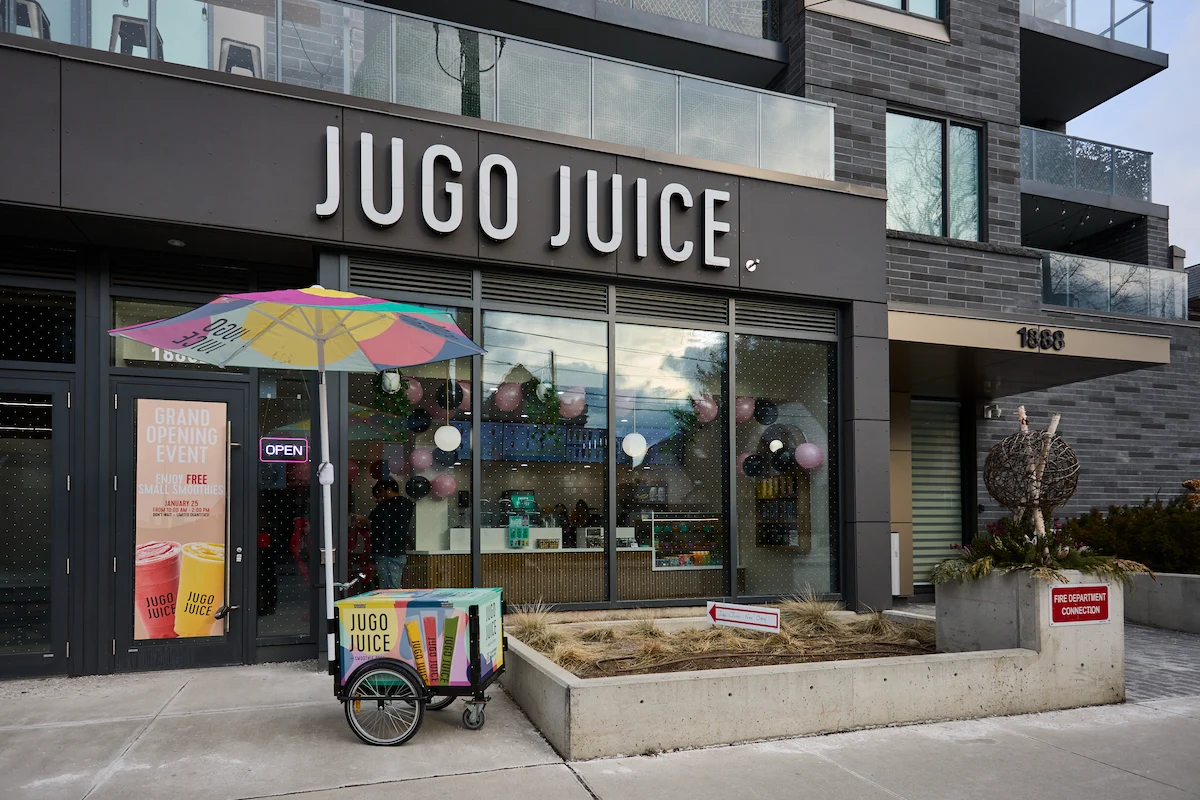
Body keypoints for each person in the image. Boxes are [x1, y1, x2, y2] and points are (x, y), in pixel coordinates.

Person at [368, 478, 415, 589]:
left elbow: (384, 527)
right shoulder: (404, 505)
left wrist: (367, 523)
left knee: (389, 591)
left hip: (388, 554)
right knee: (391, 588)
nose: (377, 499)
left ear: (389, 490)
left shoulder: (389, 507)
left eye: (380, 493)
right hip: (395, 552)